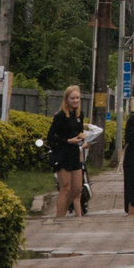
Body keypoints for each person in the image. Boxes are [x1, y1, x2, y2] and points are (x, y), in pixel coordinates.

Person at [47, 87, 87, 219]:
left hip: (75, 153)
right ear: (67, 99)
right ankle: (59, 217)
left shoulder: (79, 115)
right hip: (62, 154)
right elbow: (51, 137)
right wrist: (68, 141)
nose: (75, 101)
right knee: (65, 187)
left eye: (77, 98)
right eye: (73, 98)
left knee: (77, 188)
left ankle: (62, 212)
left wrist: (84, 139)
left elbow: (79, 133)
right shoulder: (60, 116)